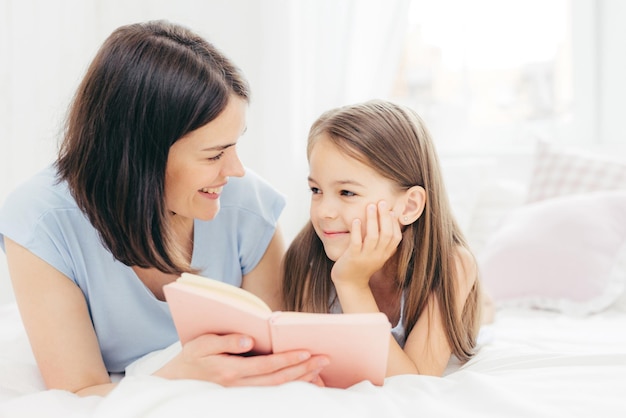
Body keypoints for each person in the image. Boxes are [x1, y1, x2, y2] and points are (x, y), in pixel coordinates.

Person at [0, 20, 328, 397]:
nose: (235, 170)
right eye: (214, 154)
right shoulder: (41, 222)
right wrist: (176, 376)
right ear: (142, 158)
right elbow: (80, 391)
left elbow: (274, 358)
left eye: (235, 146)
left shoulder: (249, 205)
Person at [282, 99, 483, 377]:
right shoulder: (306, 258)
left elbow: (411, 385)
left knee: (485, 310)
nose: (324, 211)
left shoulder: (452, 265)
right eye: (316, 190)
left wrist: (352, 283)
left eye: (347, 193)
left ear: (409, 206)